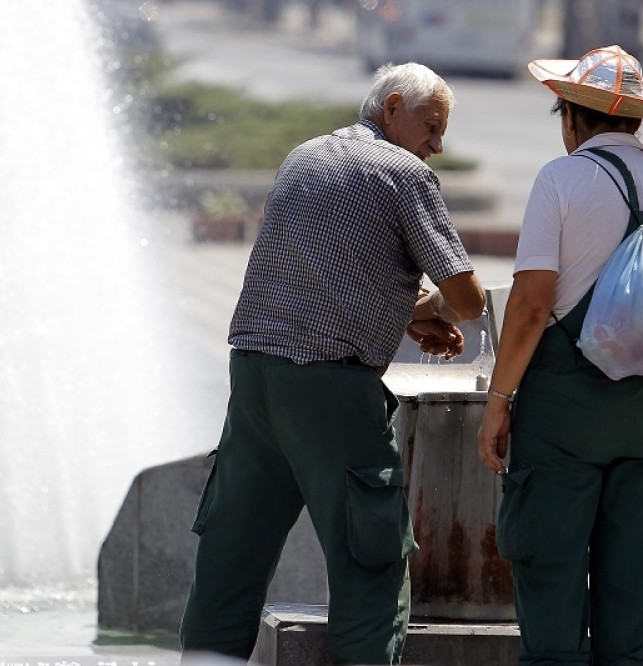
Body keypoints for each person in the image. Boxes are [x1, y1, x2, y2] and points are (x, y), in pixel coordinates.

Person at [179, 62, 487, 665]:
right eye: (431, 125)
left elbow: (324, 280)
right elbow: (469, 298)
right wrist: (433, 309)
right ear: (393, 106)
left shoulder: (305, 156)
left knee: (234, 548)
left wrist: (405, 314)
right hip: (331, 388)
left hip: (255, 376)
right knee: (369, 557)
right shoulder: (405, 174)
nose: (438, 144)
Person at [476, 45, 643, 666]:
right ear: (637, 121)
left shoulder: (559, 181)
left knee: (552, 583)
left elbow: (532, 306)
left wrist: (498, 402)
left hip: (563, 421)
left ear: (571, 117)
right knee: (632, 605)